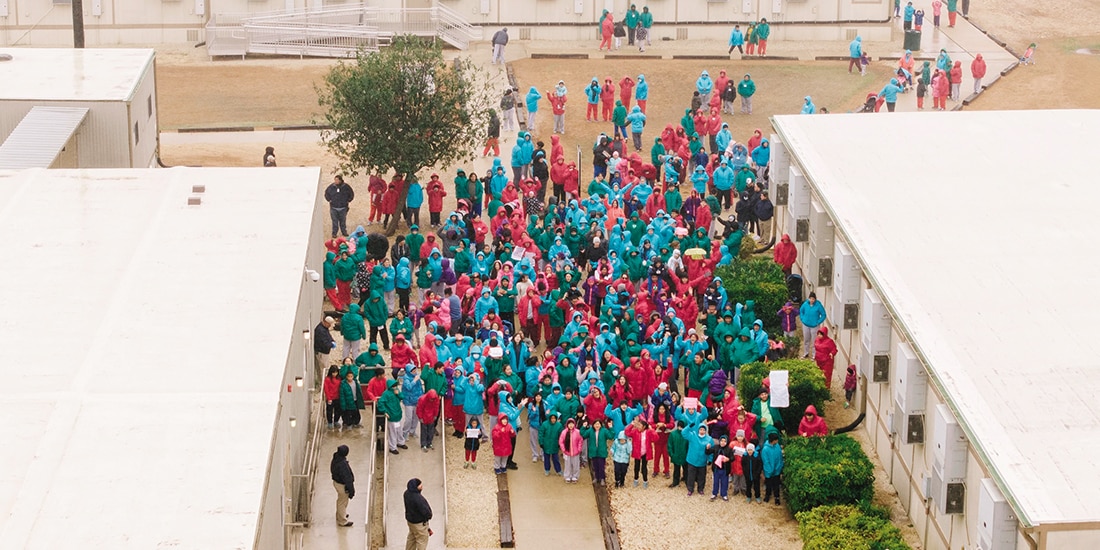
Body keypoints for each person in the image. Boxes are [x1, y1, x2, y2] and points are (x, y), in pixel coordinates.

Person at [683, 424, 714, 496]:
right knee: (691, 476)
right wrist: (689, 426)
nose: (702, 431)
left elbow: (712, 451)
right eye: (700, 429)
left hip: (702, 461)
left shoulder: (709, 439)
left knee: (702, 476)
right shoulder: (693, 436)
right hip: (692, 460)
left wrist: (710, 459)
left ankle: (700, 489)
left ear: (706, 431)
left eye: (703, 430)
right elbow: (684, 433)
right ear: (698, 430)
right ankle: (690, 489)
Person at [403, 478, 433, 550]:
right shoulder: (418, 498)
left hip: (410, 522)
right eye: (419, 485)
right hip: (419, 524)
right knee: (422, 541)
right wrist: (429, 516)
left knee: (412, 538)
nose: (421, 486)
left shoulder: (406, 493)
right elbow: (426, 512)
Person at [331, 445, 355, 527]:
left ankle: (341, 514)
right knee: (342, 501)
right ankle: (342, 521)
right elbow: (347, 478)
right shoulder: (342, 464)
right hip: (342, 485)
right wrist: (351, 490)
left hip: (336, 483)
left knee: (340, 500)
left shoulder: (336, 458)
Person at [799, 292, 827, 357]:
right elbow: (801, 311)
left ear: (815, 299)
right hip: (806, 325)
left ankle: (814, 354)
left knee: (815, 341)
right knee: (806, 339)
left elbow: (823, 315)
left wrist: (818, 322)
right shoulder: (805, 304)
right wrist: (802, 319)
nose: (811, 300)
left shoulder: (818, 305)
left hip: (814, 326)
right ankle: (806, 353)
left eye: (813, 299)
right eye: (810, 299)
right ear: (809, 298)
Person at [761, 432, 784, 505]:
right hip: (769, 471)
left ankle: (777, 497)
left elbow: (780, 457)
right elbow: (766, 461)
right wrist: (769, 470)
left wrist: (779, 466)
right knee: (769, 484)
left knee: (776, 485)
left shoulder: (777, 446)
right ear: (772, 440)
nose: (777, 441)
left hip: (777, 470)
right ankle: (768, 495)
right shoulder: (765, 449)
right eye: (776, 440)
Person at [559, 417, 585, 483]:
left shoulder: (578, 432)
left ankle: (575, 476)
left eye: (572, 424)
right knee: (567, 465)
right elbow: (561, 441)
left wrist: (579, 449)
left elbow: (580, 441)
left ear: (574, 424)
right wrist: (563, 449)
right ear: (567, 424)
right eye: (569, 424)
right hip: (567, 452)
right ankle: (567, 476)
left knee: (576, 465)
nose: (571, 425)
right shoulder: (564, 432)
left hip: (576, 452)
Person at [710, 434, 734, 500]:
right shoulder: (715, 447)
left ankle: (724, 494)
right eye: (721, 441)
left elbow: (732, 458)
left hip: (725, 469)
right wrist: (707, 448)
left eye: (724, 441)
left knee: (725, 482)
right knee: (715, 482)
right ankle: (714, 493)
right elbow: (708, 452)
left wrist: (728, 459)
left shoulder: (729, 449)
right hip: (716, 469)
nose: (722, 442)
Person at [314, 316, 336, 384]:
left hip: (324, 352)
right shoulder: (320, 330)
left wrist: (332, 341)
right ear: (326, 322)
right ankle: (323, 383)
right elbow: (324, 342)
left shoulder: (324, 328)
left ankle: (324, 382)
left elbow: (328, 336)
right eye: (329, 324)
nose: (330, 326)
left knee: (323, 368)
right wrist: (331, 345)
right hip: (321, 352)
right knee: (323, 369)